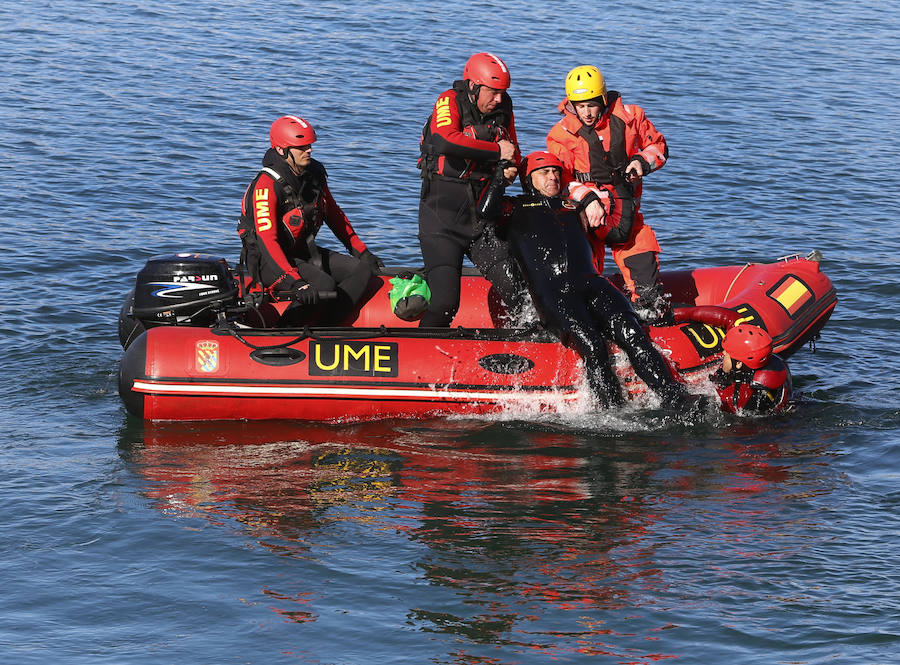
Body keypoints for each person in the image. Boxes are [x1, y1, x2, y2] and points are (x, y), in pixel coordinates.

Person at [498, 151, 694, 409]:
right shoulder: (513, 207)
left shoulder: (573, 206)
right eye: (544, 172)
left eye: (556, 172)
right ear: (527, 178)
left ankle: (675, 399)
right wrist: (499, 178)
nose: (553, 177)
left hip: (592, 283)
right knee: (593, 346)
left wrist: (620, 188)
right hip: (555, 293)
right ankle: (613, 413)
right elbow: (484, 208)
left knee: (632, 334)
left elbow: (619, 232)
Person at [546, 65, 671, 324]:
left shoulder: (631, 117)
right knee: (579, 281)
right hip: (585, 220)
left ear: (603, 99)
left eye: (591, 105)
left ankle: (650, 316)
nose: (587, 113)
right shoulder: (561, 135)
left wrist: (641, 162)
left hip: (626, 214)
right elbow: (562, 180)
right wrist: (588, 199)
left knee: (646, 277)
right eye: (580, 106)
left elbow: (657, 146)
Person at [416, 52, 530, 327]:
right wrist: (495, 151)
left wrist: (513, 167)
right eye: (493, 92)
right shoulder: (449, 100)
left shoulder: (504, 108)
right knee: (445, 303)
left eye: (503, 93)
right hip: (441, 221)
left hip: (482, 221)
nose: (499, 99)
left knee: (521, 295)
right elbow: (444, 140)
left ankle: (527, 350)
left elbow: (512, 148)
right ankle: (424, 354)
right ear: (473, 86)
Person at [238, 115, 383, 325]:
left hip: (300, 252)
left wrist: (361, 251)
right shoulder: (266, 186)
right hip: (267, 260)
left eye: (310, 145)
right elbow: (267, 242)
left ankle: (329, 329)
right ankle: (283, 334)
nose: (309, 150)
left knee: (360, 270)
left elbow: (334, 215)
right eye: (302, 147)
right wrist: (294, 282)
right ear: (282, 150)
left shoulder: (313, 174)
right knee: (323, 284)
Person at [710, 324, 792, 414]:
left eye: (727, 353)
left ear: (738, 363)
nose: (723, 353)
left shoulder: (742, 395)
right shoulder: (776, 363)